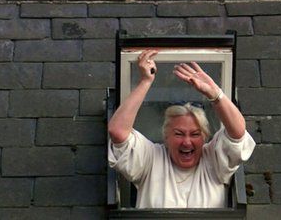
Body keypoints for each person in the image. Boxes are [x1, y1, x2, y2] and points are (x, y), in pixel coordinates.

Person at [107, 50, 256, 209]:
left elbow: (238, 134)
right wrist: (145, 82)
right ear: (166, 137)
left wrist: (215, 94)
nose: (187, 142)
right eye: (178, 134)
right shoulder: (151, 158)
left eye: (195, 134)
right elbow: (118, 131)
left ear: (204, 138)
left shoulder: (214, 159)